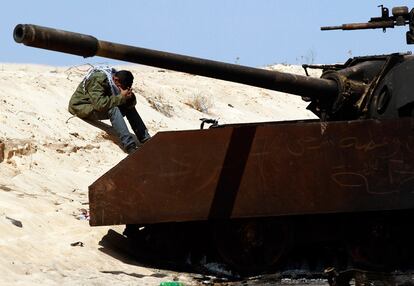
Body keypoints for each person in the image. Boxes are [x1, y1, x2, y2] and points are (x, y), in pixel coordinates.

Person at [68, 66, 150, 154]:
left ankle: (146, 139)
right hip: (80, 107)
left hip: (95, 105)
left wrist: (129, 98)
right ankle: (130, 146)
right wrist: (122, 97)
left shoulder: (115, 81)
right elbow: (99, 104)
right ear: (116, 80)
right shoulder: (98, 79)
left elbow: (128, 104)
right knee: (113, 109)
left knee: (128, 107)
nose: (121, 89)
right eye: (121, 87)